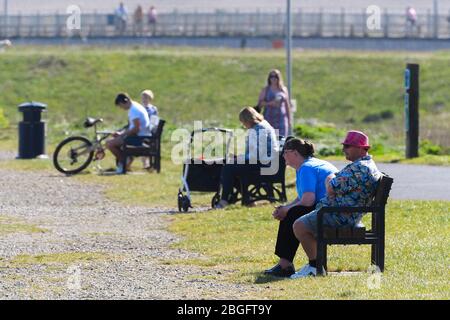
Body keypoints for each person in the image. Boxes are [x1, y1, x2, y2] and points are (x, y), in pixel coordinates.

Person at [290, 130, 382, 278]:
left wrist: (331, 177)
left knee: (299, 225)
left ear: (360, 148)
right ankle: (314, 264)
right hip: (347, 213)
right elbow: (335, 188)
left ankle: (314, 267)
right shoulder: (364, 165)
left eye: (347, 146)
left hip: (340, 215)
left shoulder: (359, 168)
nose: (343, 149)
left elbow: (331, 187)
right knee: (301, 218)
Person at [264, 138, 338, 277]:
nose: (283, 155)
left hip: (329, 211)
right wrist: (285, 207)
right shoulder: (309, 165)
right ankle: (285, 264)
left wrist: (287, 210)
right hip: (330, 208)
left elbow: (308, 201)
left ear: (296, 153)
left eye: (285, 152)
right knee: (291, 211)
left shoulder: (306, 168)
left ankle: (285, 265)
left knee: (292, 214)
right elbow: (303, 197)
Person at [215, 107, 279, 209]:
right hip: (267, 162)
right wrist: (240, 158)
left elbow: (255, 155)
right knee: (232, 167)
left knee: (228, 168)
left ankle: (225, 200)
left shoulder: (258, 129)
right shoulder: (263, 125)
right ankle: (247, 198)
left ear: (248, 120)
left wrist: (239, 159)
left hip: (263, 163)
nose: (243, 125)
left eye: (243, 122)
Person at [106, 92, 151, 174]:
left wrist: (122, 135)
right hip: (138, 135)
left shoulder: (134, 110)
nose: (121, 108)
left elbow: (136, 129)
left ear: (125, 101)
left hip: (139, 138)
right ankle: (125, 161)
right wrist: (121, 133)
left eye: (121, 105)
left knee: (109, 144)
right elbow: (132, 127)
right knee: (112, 141)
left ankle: (124, 162)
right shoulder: (134, 106)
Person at [256, 69, 291, 137]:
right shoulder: (266, 90)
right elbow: (260, 104)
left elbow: (287, 105)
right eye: (272, 76)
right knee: (270, 139)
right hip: (269, 118)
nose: (274, 78)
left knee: (281, 139)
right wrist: (271, 103)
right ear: (269, 78)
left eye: (276, 76)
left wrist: (289, 119)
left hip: (281, 119)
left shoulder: (283, 89)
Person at [140, 89, 159, 169]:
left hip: (149, 131)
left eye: (146, 97)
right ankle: (145, 163)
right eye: (143, 97)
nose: (144, 99)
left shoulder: (153, 109)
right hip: (141, 130)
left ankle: (147, 163)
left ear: (150, 99)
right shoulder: (140, 108)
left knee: (146, 142)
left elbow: (155, 121)